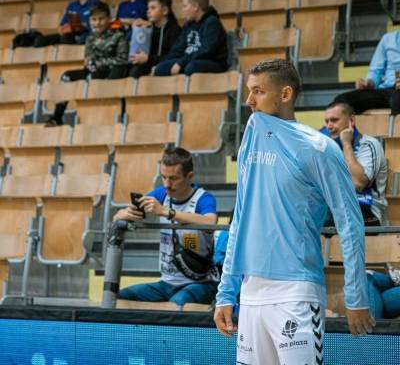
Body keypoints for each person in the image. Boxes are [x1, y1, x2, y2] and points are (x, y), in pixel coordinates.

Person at [214, 59, 376, 365]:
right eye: (249, 91)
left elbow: (350, 222)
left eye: (258, 91)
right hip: (250, 294)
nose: (248, 101)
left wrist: (356, 295)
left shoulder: (319, 148)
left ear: (285, 94)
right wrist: (226, 292)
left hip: (296, 293)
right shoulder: (252, 136)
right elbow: (240, 219)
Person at [114, 147, 219, 308]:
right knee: (119, 298)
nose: (167, 184)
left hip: (201, 283)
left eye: (173, 178)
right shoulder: (160, 194)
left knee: (175, 304)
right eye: (164, 177)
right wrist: (126, 213)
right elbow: (118, 216)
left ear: (189, 176)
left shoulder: (203, 198)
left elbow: (210, 222)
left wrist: (166, 212)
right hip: (166, 283)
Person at [46, 1, 129, 126]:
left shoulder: (119, 36)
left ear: (109, 19)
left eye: (101, 19)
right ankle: (57, 117)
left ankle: (97, 118)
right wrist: (90, 63)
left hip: (111, 71)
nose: (97, 23)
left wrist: (102, 63)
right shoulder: (91, 37)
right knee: (66, 76)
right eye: (94, 19)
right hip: (93, 69)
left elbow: (122, 59)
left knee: (94, 75)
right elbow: (88, 58)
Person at [323, 101, 388, 225]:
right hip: (336, 210)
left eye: (334, 120)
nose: (329, 126)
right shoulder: (330, 148)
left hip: (367, 211)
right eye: (327, 121)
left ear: (351, 120)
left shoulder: (369, 144)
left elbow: (358, 183)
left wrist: (346, 143)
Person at [154, 0, 228, 76]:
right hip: (189, 60)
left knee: (191, 67)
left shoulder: (212, 22)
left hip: (212, 61)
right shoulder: (188, 24)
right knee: (160, 69)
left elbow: (206, 50)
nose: (183, 10)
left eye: (185, 6)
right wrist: (161, 64)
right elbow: (178, 49)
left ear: (195, 6)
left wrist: (181, 62)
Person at [334, 30, 400, 115]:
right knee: (341, 101)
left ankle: (393, 123)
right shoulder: (388, 39)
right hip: (386, 90)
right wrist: (368, 83)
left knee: (398, 99)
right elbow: (376, 71)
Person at [34, 0, 99, 47]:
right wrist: (63, 29)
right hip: (69, 35)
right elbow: (62, 25)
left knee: (68, 39)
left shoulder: (95, 3)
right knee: (40, 41)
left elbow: (97, 26)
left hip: (85, 35)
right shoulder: (72, 5)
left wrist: (82, 26)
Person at [128, 0, 181, 79]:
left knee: (137, 71)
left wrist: (148, 59)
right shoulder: (148, 28)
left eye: (153, 8)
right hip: (149, 63)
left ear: (165, 11)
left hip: (164, 66)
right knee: (124, 68)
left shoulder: (174, 30)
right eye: (148, 8)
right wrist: (137, 31)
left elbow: (174, 56)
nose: (148, 11)